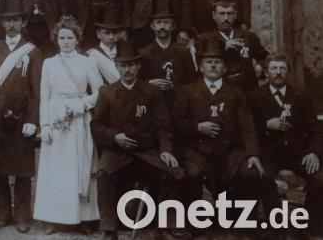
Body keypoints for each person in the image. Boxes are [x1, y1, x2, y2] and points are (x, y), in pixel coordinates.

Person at [171, 39, 271, 228]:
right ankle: (194, 224)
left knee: (249, 172)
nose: (213, 65)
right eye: (208, 62)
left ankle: (245, 224)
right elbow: (176, 122)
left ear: (225, 68)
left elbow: (247, 126)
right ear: (200, 67)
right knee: (192, 173)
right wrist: (197, 127)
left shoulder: (236, 93)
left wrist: (252, 154)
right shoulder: (187, 92)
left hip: (229, 150)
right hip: (197, 150)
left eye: (218, 62)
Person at [90, 41, 183, 240]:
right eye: (123, 65)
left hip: (147, 152)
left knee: (172, 171)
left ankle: (164, 227)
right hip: (118, 152)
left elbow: (164, 125)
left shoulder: (152, 92)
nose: (127, 70)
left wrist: (165, 150)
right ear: (116, 66)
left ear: (139, 66)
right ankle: (109, 229)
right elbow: (96, 126)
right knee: (103, 174)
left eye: (131, 65)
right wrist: (115, 137)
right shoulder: (106, 92)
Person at [34, 18, 103, 234]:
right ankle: (53, 218)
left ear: (77, 40)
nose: (65, 42)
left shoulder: (87, 62)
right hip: (55, 119)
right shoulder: (49, 63)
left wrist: (80, 105)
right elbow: (44, 96)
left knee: (77, 167)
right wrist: (44, 125)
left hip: (79, 120)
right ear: (56, 40)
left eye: (70, 38)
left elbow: (101, 93)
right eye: (62, 38)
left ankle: (81, 218)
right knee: (55, 171)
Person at [247, 54, 323, 238]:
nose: (278, 72)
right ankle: (277, 226)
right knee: (263, 178)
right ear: (266, 72)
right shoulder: (254, 96)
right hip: (269, 152)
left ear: (288, 72)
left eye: (282, 68)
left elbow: (315, 129)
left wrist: (313, 152)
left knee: (319, 179)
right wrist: (266, 124)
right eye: (274, 68)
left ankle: (309, 225)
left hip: (297, 151)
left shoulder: (300, 95)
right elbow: (247, 127)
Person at [0, 0, 42, 233]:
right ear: (2, 24)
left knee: (22, 168)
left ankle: (22, 214)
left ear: (23, 23)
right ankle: (2, 212)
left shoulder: (33, 52)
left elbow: (36, 91)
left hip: (21, 118)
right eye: (7, 21)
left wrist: (32, 120)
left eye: (16, 20)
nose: (11, 25)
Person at [195, 1, 267, 92]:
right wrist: (223, 48)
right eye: (221, 14)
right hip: (220, 89)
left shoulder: (248, 36)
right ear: (214, 15)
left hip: (247, 89)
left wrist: (259, 66)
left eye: (229, 14)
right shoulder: (203, 39)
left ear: (235, 15)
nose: (226, 18)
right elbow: (200, 65)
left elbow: (265, 57)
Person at [139, 2, 198, 108]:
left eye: (166, 22)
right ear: (152, 26)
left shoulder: (183, 52)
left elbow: (192, 83)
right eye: (158, 22)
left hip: (179, 105)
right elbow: (137, 83)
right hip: (153, 106)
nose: (162, 26)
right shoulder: (144, 53)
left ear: (173, 26)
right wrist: (149, 83)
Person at [85, 11, 125, 85]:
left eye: (115, 33)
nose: (112, 37)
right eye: (107, 33)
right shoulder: (91, 55)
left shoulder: (125, 51)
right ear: (98, 34)